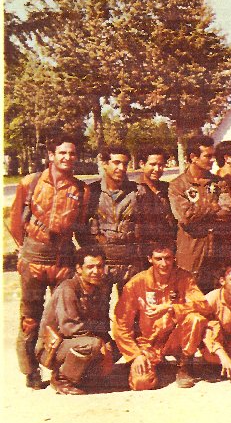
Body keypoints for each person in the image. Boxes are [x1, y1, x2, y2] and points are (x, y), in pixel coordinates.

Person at [10, 133, 90, 389]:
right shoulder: (31, 182)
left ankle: (59, 370)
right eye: (62, 153)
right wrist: (26, 251)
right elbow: (15, 221)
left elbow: (81, 228)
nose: (67, 157)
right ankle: (30, 370)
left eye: (72, 153)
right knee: (30, 318)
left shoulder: (81, 189)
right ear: (51, 155)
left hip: (63, 261)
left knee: (62, 319)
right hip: (33, 258)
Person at [112, 243, 208, 391]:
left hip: (174, 339)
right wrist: (135, 355)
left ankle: (185, 366)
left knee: (195, 319)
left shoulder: (184, 278)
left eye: (168, 258)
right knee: (141, 383)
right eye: (158, 259)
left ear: (174, 258)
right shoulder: (136, 284)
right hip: (148, 343)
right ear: (150, 259)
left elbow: (203, 305)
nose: (164, 264)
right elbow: (121, 325)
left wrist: (171, 307)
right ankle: (151, 365)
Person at [35, 247, 114, 395]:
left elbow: (102, 323)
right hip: (53, 348)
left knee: (115, 346)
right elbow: (70, 328)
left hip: (78, 342)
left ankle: (84, 378)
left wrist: (107, 344)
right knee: (93, 345)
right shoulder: (68, 288)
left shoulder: (99, 288)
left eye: (99, 266)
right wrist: (100, 343)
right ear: (79, 269)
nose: (96, 271)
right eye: (90, 267)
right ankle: (61, 379)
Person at [169, 134, 231, 293]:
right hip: (191, 252)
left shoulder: (219, 183)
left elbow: (227, 210)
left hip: (217, 252)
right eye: (208, 156)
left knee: (216, 298)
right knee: (188, 296)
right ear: (193, 157)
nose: (213, 160)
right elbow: (186, 217)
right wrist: (212, 207)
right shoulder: (178, 185)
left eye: (213, 155)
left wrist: (200, 211)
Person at [76, 145, 139, 294]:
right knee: (97, 305)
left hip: (130, 264)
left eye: (125, 164)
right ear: (104, 164)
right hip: (101, 264)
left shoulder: (137, 192)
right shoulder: (91, 193)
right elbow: (80, 228)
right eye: (116, 163)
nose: (121, 168)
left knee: (131, 306)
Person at [134, 147, 177, 264]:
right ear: (142, 164)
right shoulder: (133, 190)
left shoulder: (168, 188)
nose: (157, 169)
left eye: (161, 165)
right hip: (143, 252)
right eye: (152, 164)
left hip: (167, 250)